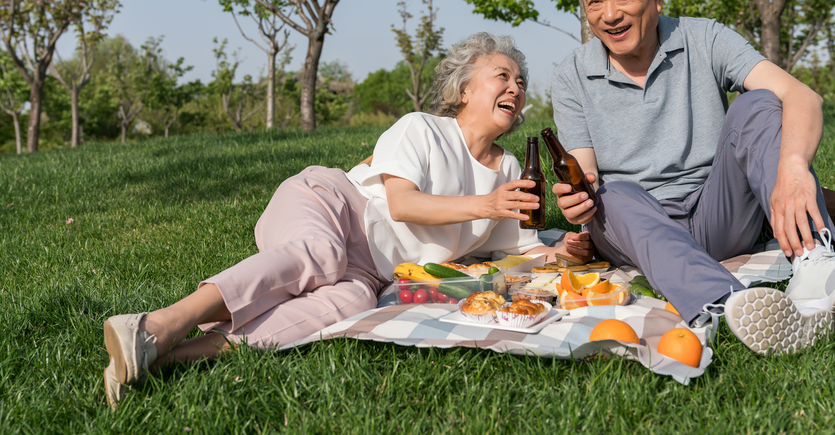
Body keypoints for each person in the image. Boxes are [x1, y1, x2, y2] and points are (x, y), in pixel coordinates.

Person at [102, 32, 593, 408]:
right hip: (332, 204)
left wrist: (562, 251)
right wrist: (485, 205)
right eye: (502, 76)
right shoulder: (421, 128)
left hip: (372, 271)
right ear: (464, 89)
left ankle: (166, 361)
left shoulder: (508, 167)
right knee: (319, 254)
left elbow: (514, 246)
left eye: (521, 82)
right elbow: (402, 204)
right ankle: (158, 325)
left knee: (345, 306)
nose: (516, 87)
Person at [550, 0, 835, 355]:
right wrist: (578, 201)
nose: (609, 14)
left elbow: (802, 97)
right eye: (594, 2)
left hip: (717, 215)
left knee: (759, 102)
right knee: (611, 193)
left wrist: (793, 169)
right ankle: (727, 303)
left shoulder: (705, 38)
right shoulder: (571, 76)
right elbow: (584, 179)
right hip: (639, 224)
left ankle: (817, 264)